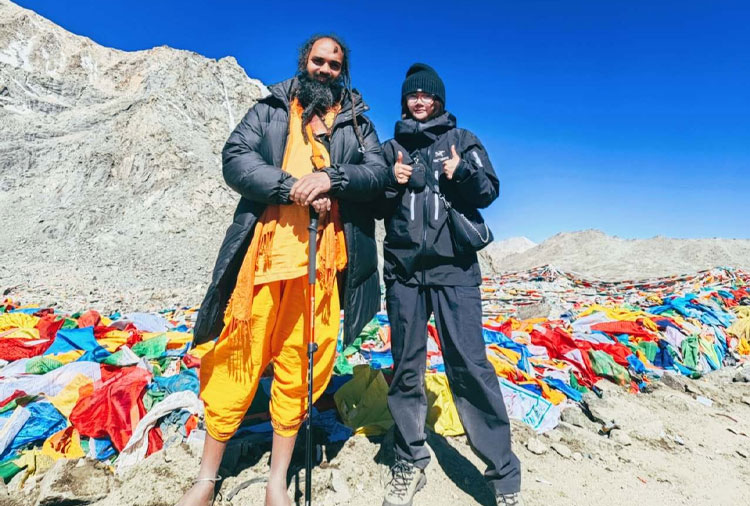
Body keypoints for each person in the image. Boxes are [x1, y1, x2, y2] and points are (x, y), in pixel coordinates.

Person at [177, 35, 387, 506]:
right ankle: (207, 478)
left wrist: (333, 178)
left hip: (324, 267)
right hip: (264, 261)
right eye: (319, 61)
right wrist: (292, 186)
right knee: (236, 358)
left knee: (301, 366)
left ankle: (277, 480)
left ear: (343, 70)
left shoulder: (357, 125)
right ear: (304, 62)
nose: (326, 70)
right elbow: (236, 158)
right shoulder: (269, 110)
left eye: (335, 64)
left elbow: (375, 172)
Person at [377, 63, 523, 506]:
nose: (419, 101)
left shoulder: (462, 141)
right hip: (404, 273)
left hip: (455, 271)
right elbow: (375, 203)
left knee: (470, 366)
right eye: (412, 95)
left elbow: (488, 191)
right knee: (405, 368)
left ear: (438, 100)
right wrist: (390, 180)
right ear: (404, 100)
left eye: (427, 95)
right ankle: (409, 458)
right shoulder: (392, 148)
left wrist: (460, 172)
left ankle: (503, 475)